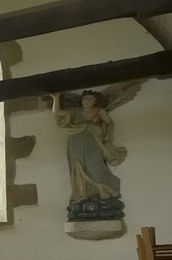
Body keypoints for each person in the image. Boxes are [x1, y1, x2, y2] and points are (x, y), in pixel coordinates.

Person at [54, 90, 127, 220]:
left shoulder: (100, 111)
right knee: (77, 168)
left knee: (94, 165)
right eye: (85, 98)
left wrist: (105, 134)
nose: (87, 101)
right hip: (75, 140)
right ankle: (82, 194)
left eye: (90, 99)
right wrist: (56, 97)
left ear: (95, 101)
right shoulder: (74, 111)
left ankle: (102, 190)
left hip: (92, 141)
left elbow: (109, 123)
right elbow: (57, 113)